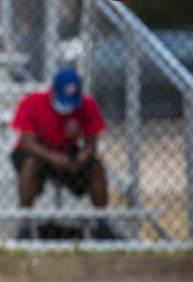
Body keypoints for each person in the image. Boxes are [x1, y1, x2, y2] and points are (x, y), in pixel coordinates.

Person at [10, 68, 117, 240]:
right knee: (30, 165)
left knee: (95, 167)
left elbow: (91, 142)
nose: (67, 106)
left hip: (66, 150)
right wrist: (53, 157)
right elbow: (27, 142)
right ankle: (25, 223)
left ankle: (102, 222)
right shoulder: (33, 102)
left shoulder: (87, 105)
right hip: (38, 151)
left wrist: (83, 156)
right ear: (53, 92)